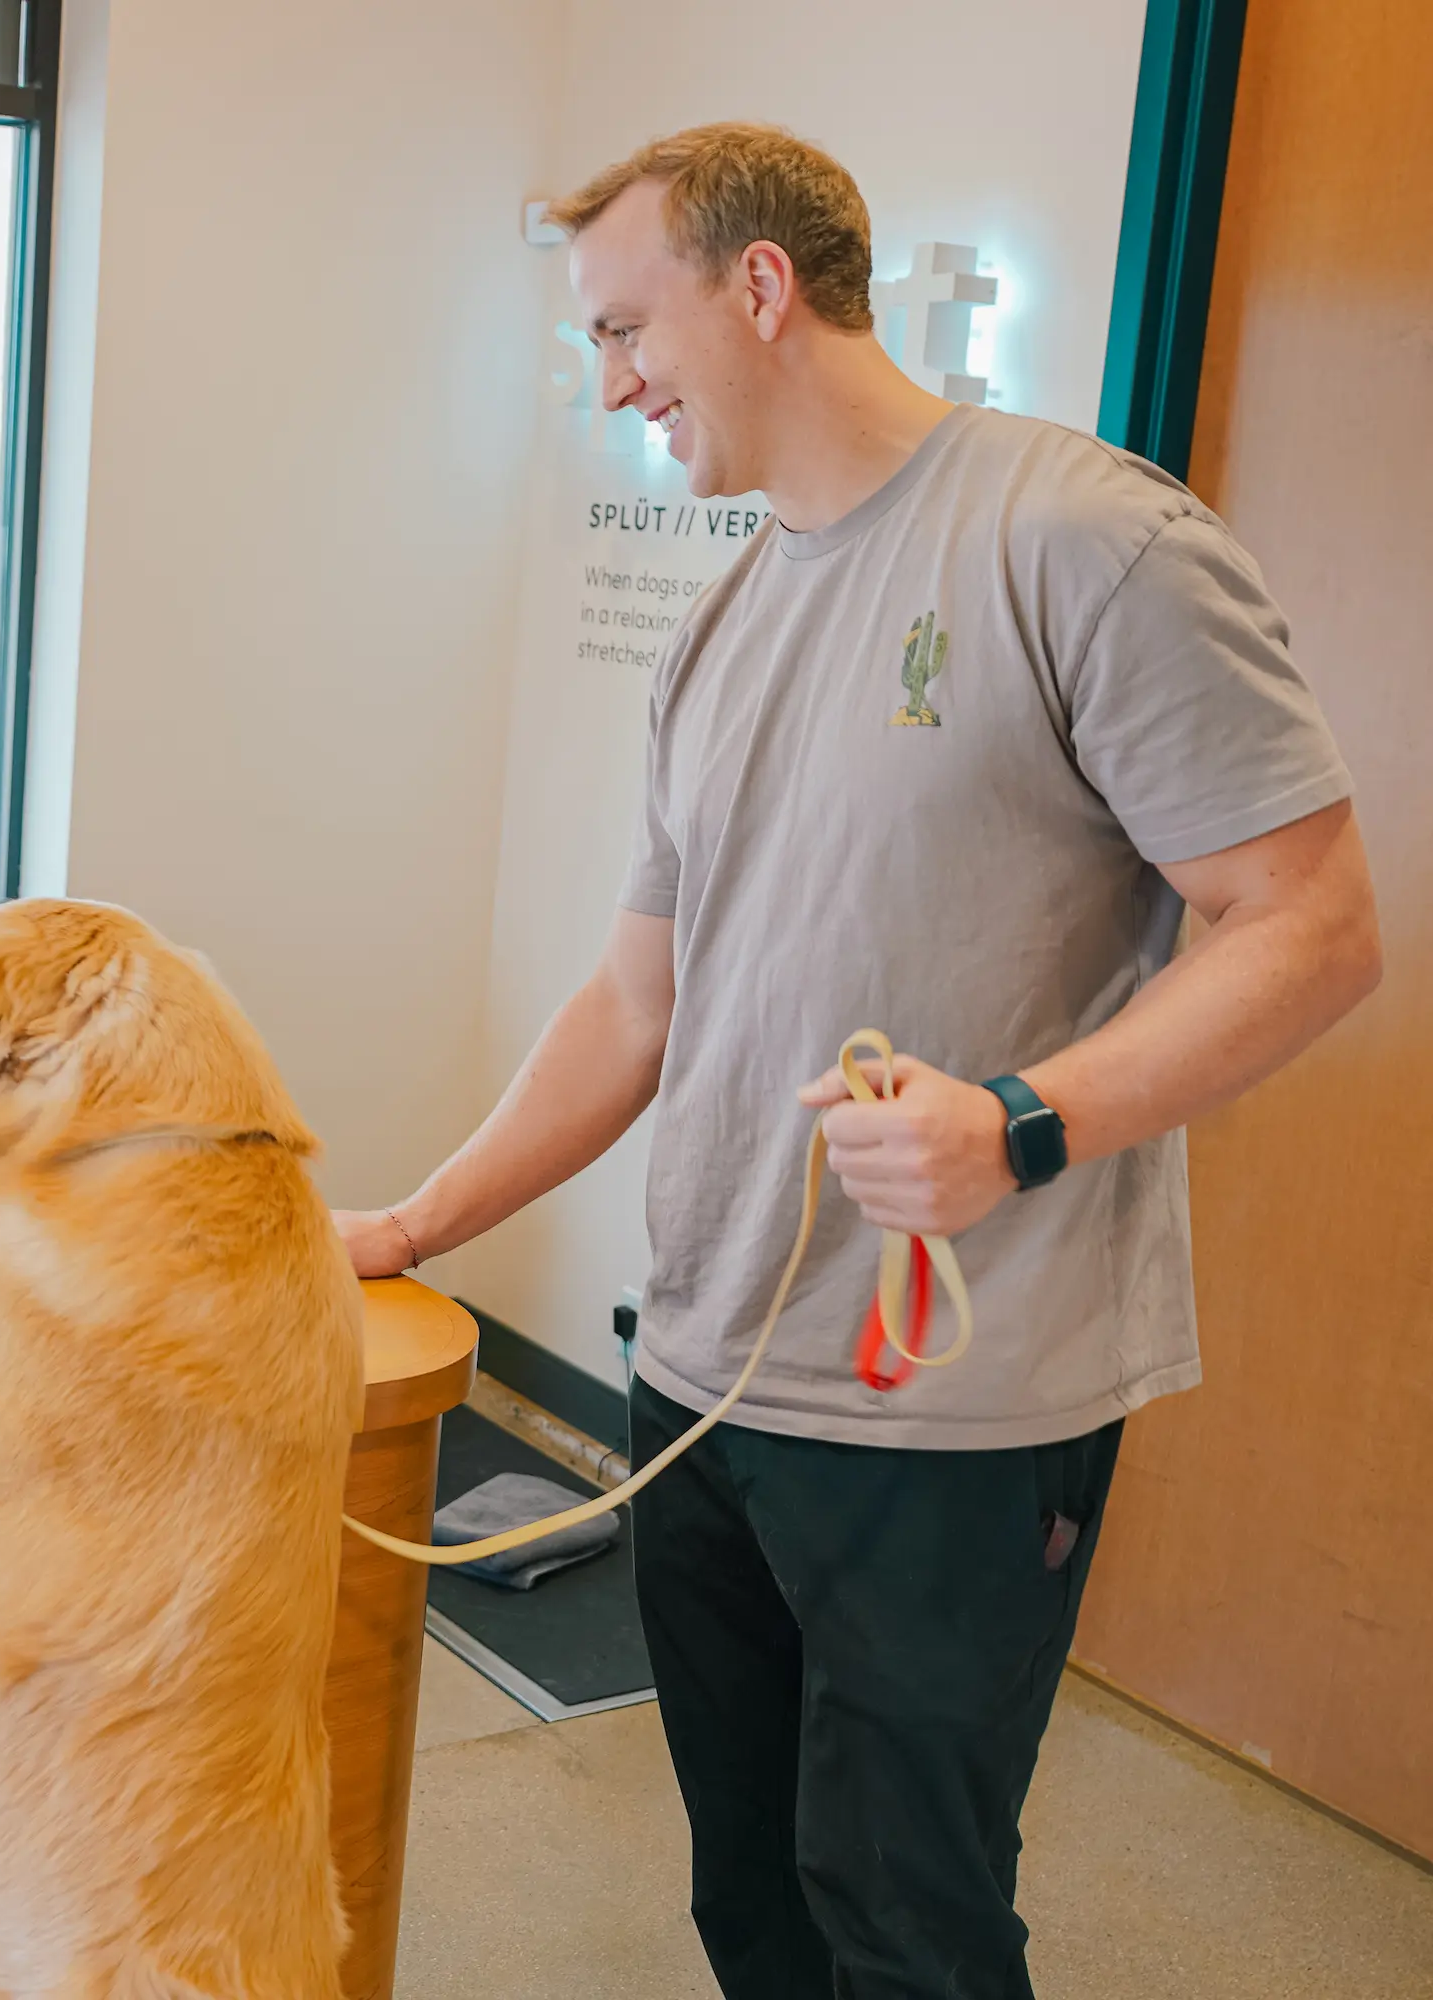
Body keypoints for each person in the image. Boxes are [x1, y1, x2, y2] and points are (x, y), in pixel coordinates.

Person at [337, 125, 1380, 1998]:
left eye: (624, 327)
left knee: (909, 1926)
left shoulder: (1085, 539)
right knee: (752, 1897)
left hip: (951, 1423)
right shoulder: (723, 618)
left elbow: (1314, 923)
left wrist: (1026, 1124)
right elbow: (636, 1007)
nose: (613, 383)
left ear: (759, 287)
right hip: (715, 1382)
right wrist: (412, 1224)